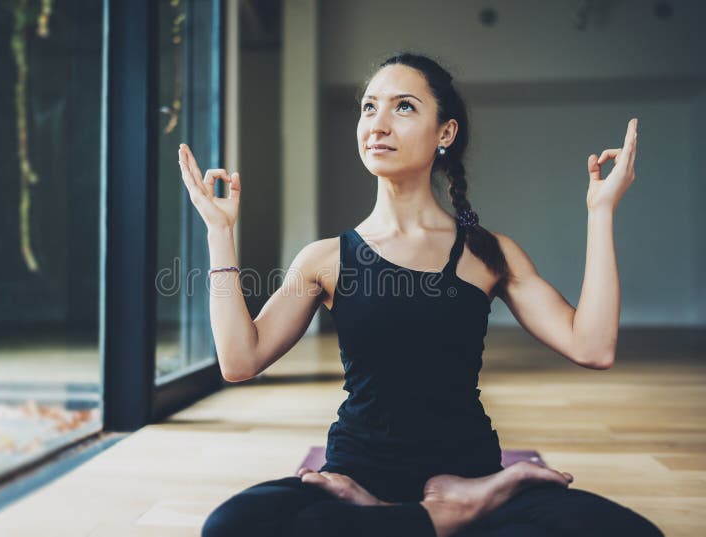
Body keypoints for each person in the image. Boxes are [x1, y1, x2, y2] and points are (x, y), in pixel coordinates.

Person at [179, 52, 663, 536]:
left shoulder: (488, 253)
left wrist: (601, 212)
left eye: (403, 107)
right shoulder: (325, 259)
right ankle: (449, 514)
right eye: (369, 108)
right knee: (232, 527)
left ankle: (413, 514)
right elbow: (239, 360)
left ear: (445, 134)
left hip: (466, 468)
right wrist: (219, 232)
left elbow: (592, 346)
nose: (378, 124)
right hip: (356, 473)